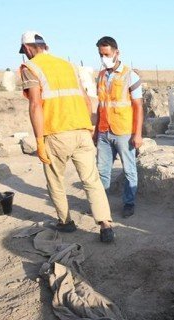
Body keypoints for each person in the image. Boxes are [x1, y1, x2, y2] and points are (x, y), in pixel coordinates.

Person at [19, 31, 115, 243]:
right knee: (92, 180)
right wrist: (89, 127)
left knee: (55, 181)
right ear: (45, 45)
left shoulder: (31, 67)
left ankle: (66, 222)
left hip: (56, 133)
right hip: (81, 130)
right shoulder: (69, 65)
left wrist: (38, 141)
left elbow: (35, 105)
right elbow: (86, 98)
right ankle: (105, 224)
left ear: (27, 49)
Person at [93, 36, 144, 219]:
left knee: (129, 170)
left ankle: (129, 203)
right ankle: (101, 205)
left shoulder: (130, 75)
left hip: (123, 132)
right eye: (101, 54)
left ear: (116, 53)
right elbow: (101, 105)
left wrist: (137, 134)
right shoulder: (100, 76)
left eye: (106, 54)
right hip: (104, 131)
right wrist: (96, 129)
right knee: (102, 171)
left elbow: (138, 106)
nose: (103, 58)